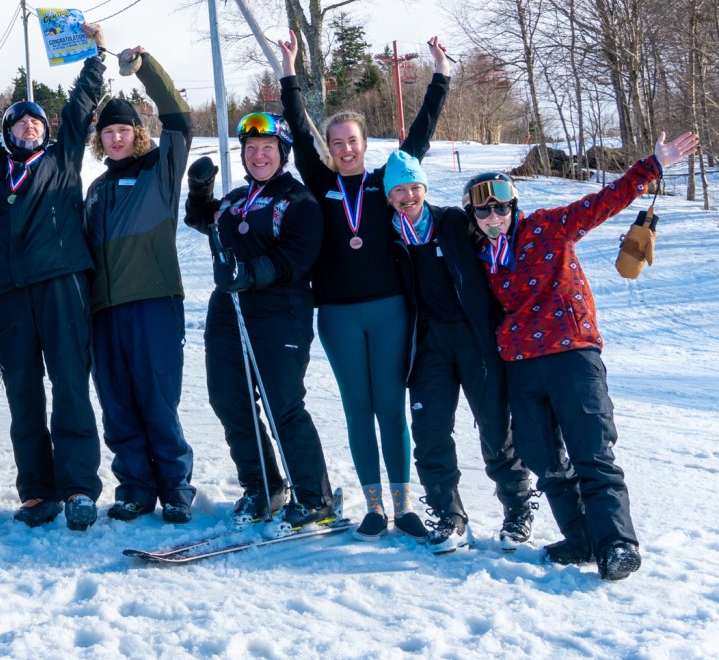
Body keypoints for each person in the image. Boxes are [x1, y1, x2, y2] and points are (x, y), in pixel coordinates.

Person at [465, 130, 699, 580]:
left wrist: (652, 165)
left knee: (592, 452)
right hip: (521, 367)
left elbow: (603, 202)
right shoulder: (479, 258)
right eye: (483, 210)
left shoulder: (549, 226)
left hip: (573, 355)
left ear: (513, 206)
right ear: (473, 216)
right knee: (543, 459)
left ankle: (616, 546)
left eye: (500, 207)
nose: (493, 216)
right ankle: (581, 539)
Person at [281, 31, 451, 541]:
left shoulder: (385, 183)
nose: (346, 149)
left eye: (352, 141)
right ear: (329, 150)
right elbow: (295, 122)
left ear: (364, 143)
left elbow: (420, 135)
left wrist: (441, 74)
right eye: (337, 144)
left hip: (390, 309)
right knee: (358, 409)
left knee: (389, 407)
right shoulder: (320, 182)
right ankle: (374, 507)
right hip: (336, 313)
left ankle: (403, 508)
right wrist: (289, 68)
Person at [0, 28, 105, 531]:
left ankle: (78, 488)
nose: (29, 127)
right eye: (20, 122)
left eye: (36, 121)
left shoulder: (62, 159)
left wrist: (96, 56)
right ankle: (38, 492)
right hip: (8, 294)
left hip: (60, 284)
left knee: (71, 386)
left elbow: (80, 106)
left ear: (45, 131)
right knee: (23, 394)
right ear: (8, 132)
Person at [185, 112, 334, 529]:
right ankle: (264, 486)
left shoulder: (298, 200)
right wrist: (199, 191)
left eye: (267, 148)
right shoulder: (235, 200)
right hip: (229, 312)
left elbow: (296, 257)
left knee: (282, 405)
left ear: (281, 153)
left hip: (279, 312)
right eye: (251, 149)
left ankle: (314, 498)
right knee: (230, 402)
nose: (259, 156)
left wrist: (250, 275)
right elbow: (202, 220)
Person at [381, 151, 535, 554]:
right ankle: (449, 517)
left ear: (424, 189)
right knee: (430, 432)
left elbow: (502, 235)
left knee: (495, 428)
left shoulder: (454, 221)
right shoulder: (389, 235)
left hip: (474, 338)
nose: (407, 195)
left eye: (413, 186)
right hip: (428, 344)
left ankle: (518, 511)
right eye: (398, 189)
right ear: (389, 196)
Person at [83, 44, 197, 523]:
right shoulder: (96, 190)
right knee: (118, 403)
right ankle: (134, 488)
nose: (115, 138)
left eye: (123, 130)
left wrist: (147, 70)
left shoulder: (160, 172)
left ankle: (175, 488)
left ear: (138, 134)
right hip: (104, 311)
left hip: (152, 303)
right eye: (108, 131)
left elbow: (181, 120)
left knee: (156, 398)